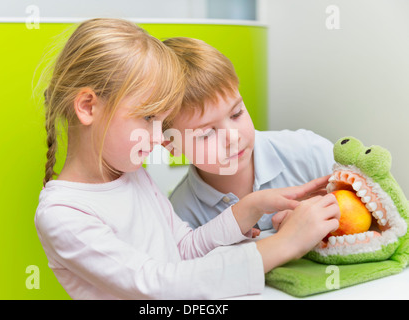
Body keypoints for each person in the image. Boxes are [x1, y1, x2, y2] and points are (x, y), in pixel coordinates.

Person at [35, 18, 340, 300]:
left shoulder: (133, 176)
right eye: (148, 118)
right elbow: (157, 285)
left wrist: (251, 206)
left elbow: (184, 248)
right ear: (88, 106)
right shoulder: (62, 214)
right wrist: (284, 244)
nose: (158, 138)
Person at [163, 37, 335, 232]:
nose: (233, 138)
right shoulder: (180, 215)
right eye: (206, 133)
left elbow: (374, 212)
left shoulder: (310, 152)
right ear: (171, 145)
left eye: (236, 114)